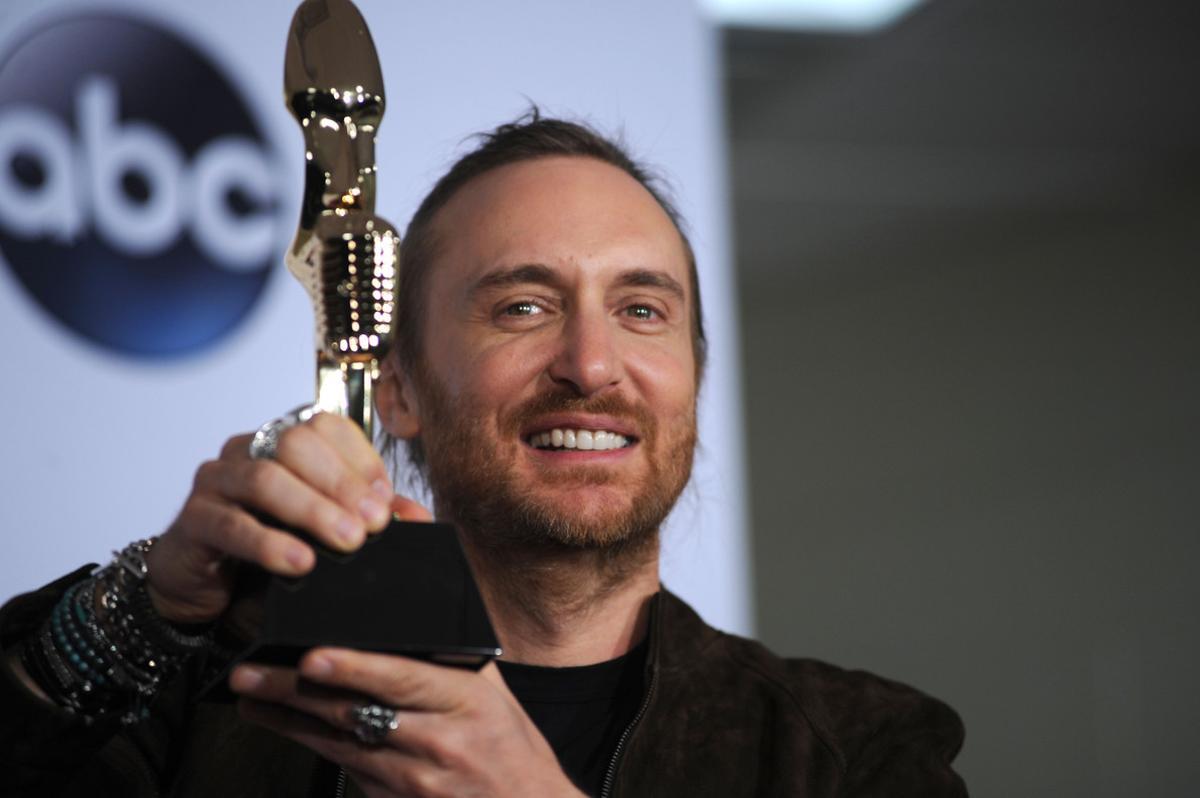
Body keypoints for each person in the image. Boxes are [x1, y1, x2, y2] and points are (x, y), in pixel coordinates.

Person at [0, 113, 968, 797]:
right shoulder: (205, 712)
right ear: (398, 389)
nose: (593, 366)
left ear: (693, 377)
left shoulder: (854, 753)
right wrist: (141, 608)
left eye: (641, 312)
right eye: (523, 307)